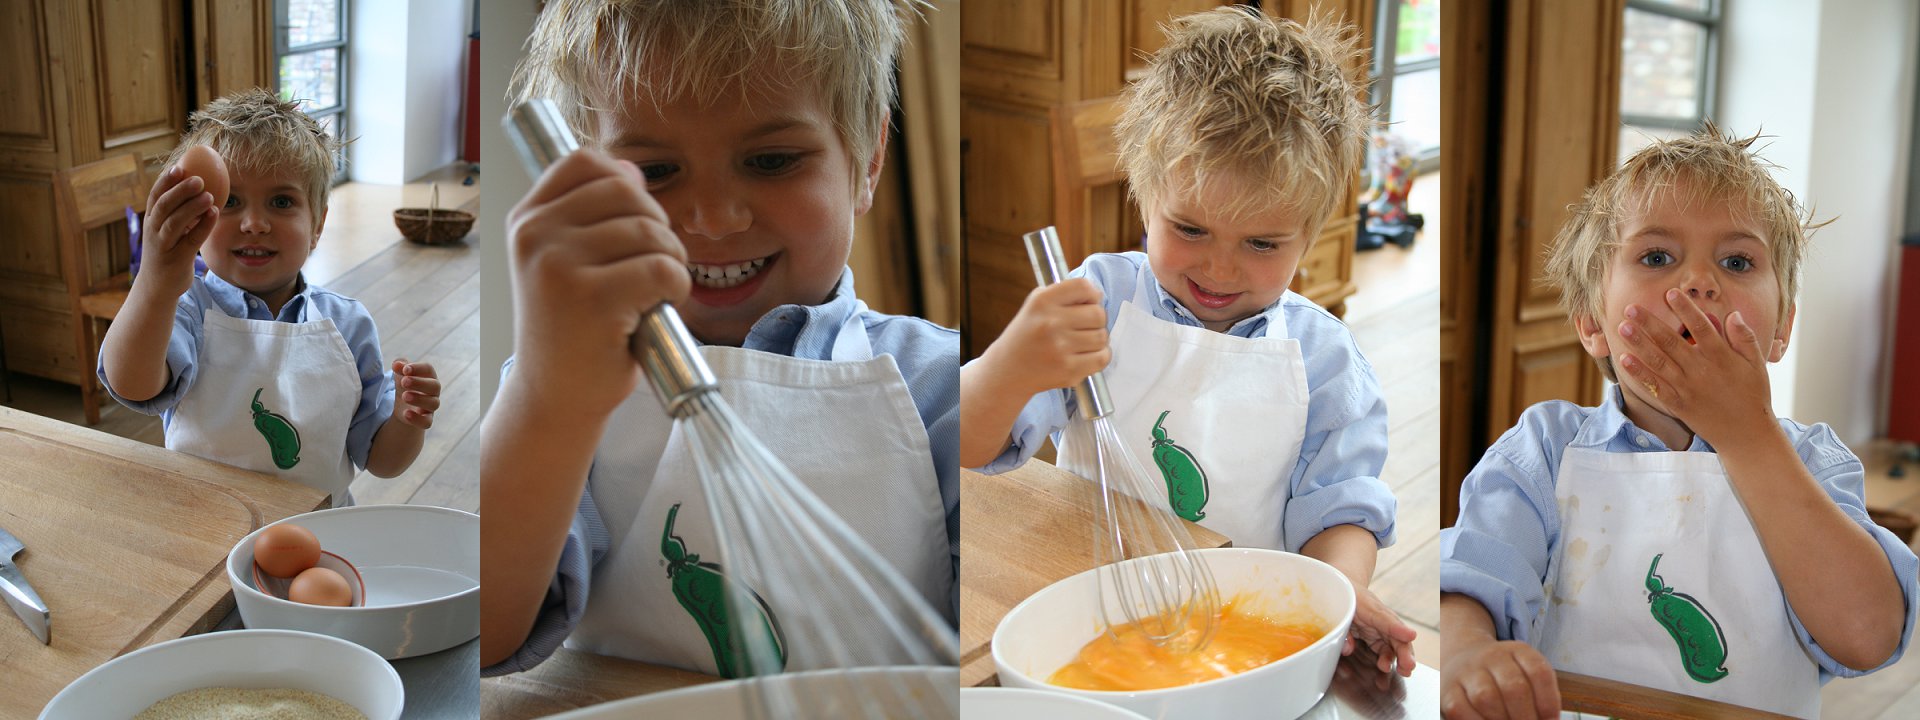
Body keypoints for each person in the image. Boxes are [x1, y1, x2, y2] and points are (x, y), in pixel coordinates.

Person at [479, 0, 957, 678]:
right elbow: (486, 633)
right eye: (654, 172)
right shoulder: (555, 391)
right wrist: (545, 397)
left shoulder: (938, 386)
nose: (712, 217)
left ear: (868, 159)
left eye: (770, 160)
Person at [958, 6, 1414, 678]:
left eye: (1261, 244)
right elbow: (968, 443)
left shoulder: (1324, 359)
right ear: (1144, 200)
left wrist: (1336, 595)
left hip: (1240, 636)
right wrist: (1010, 362)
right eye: (1191, 229)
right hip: (1088, 615)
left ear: (1309, 237)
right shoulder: (1101, 304)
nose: (1220, 269)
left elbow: (1340, 511)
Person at [1439, 125, 1919, 719]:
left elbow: (1867, 636)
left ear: (1781, 329)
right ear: (1592, 322)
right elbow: (1473, 573)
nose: (1698, 282)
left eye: (1737, 261)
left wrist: (1749, 437)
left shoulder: (1814, 463)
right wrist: (1465, 651)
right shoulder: (1544, 450)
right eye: (1657, 256)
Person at [99, 88, 440, 506]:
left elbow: (383, 461)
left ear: (317, 224)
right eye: (230, 202)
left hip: (319, 535)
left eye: (281, 201)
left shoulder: (348, 327)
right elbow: (130, 385)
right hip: (204, 528)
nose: (255, 223)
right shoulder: (186, 308)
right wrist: (154, 282)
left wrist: (409, 419)